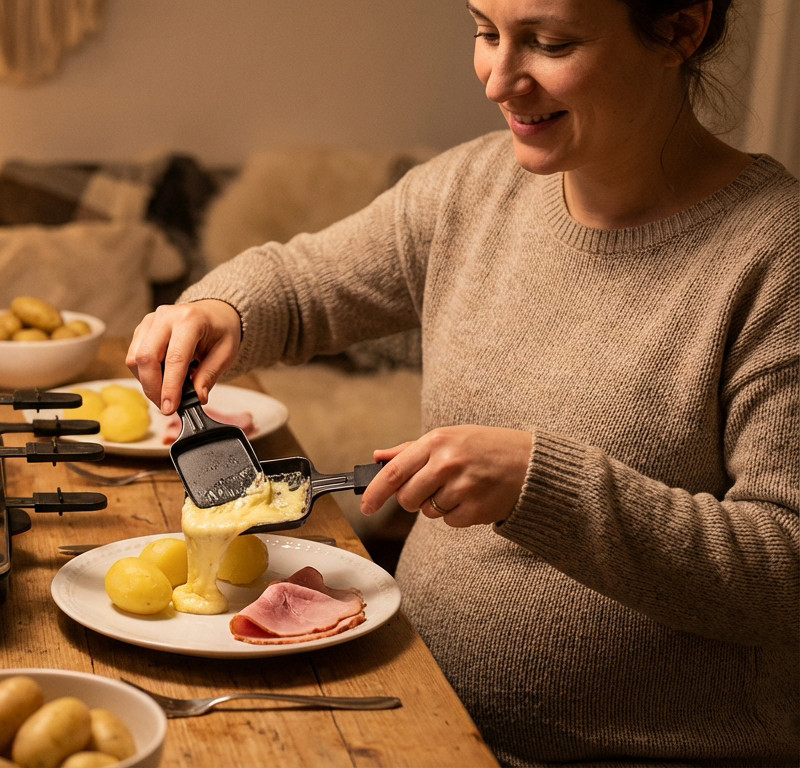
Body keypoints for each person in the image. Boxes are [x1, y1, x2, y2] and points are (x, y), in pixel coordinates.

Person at [125, 0, 799, 765]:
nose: (498, 80)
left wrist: (540, 487)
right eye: (485, 32)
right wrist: (221, 310)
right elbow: (305, 283)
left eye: (547, 43)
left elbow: (785, 568)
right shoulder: (472, 189)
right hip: (417, 711)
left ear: (680, 28)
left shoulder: (777, 258)